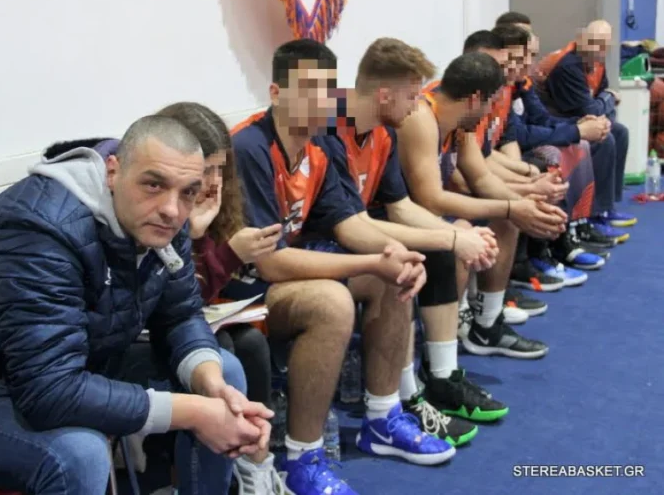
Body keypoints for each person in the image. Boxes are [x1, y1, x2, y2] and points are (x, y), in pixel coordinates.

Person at [0, 116, 274, 495]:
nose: (172, 210)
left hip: (66, 366)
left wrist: (211, 386)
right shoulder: (39, 227)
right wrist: (196, 413)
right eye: (153, 184)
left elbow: (180, 315)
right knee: (80, 454)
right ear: (113, 172)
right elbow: (49, 391)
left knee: (224, 371)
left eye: (188, 192)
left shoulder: (159, 219)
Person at [230, 39, 453, 495]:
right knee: (332, 302)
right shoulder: (250, 146)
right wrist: (378, 258)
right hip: (235, 295)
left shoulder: (317, 148)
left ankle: (383, 417)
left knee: (391, 276)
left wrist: (396, 255)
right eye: (308, 88)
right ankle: (301, 458)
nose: (321, 100)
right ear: (276, 93)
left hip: (281, 278)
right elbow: (269, 263)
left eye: (328, 88)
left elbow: (350, 223)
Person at [318, 37, 508, 446]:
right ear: (384, 94)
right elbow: (350, 226)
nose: (416, 104)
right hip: (318, 245)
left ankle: (438, 380)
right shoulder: (329, 132)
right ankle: (405, 399)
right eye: (411, 94)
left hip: (356, 230)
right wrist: (450, 237)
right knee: (403, 266)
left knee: (436, 248)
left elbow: (401, 206)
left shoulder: (384, 133)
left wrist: (456, 235)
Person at [397, 51, 567, 359]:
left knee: (506, 219)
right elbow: (430, 199)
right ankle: (441, 354)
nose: (491, 112)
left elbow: (481, 177)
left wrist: (527, 206)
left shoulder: (459, 122)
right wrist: (513, 207)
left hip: (427, 211)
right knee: (465, 232)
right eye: (490, 102)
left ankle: (487, 324)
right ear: (476, 99)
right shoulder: (422, 117)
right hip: (401, 215)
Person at [157, 101, 285, 494]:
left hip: (191, 317)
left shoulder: (215, 200)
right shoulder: (162, 203)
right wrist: (219, 250)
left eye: (220, 169)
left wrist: (215, 247)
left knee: (251, 345)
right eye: (206, 169)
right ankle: (208, 477)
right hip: (149, 330)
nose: (214, 180)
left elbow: (197, 296)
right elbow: (172, 299)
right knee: (226, 352)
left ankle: (253, 464)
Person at [495, 12, 629, 250]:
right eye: (521, 55)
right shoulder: (563, 66)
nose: (529, 64)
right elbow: (519, 134)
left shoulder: (521, 82)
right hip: (516, 149)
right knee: (562, 151)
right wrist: (577, 130)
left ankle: (587, 218)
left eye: (531, 54)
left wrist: (579, 126)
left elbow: (539, 119)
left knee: (612, 132)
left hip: (534, 134)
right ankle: (556, 240)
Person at [534, 19, 637, 234]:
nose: (596, 48)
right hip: (555, 119)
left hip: (576, 116)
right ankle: (594, 213)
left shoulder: (597, 62)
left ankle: (608, 206)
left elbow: (600, 101)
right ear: (581, 39)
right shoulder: (568, 65)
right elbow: (594, 106)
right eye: (592, 41)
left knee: (619, 132)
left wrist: (604, 103)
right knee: (604, 139)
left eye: (602, 44)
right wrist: (608, 99)